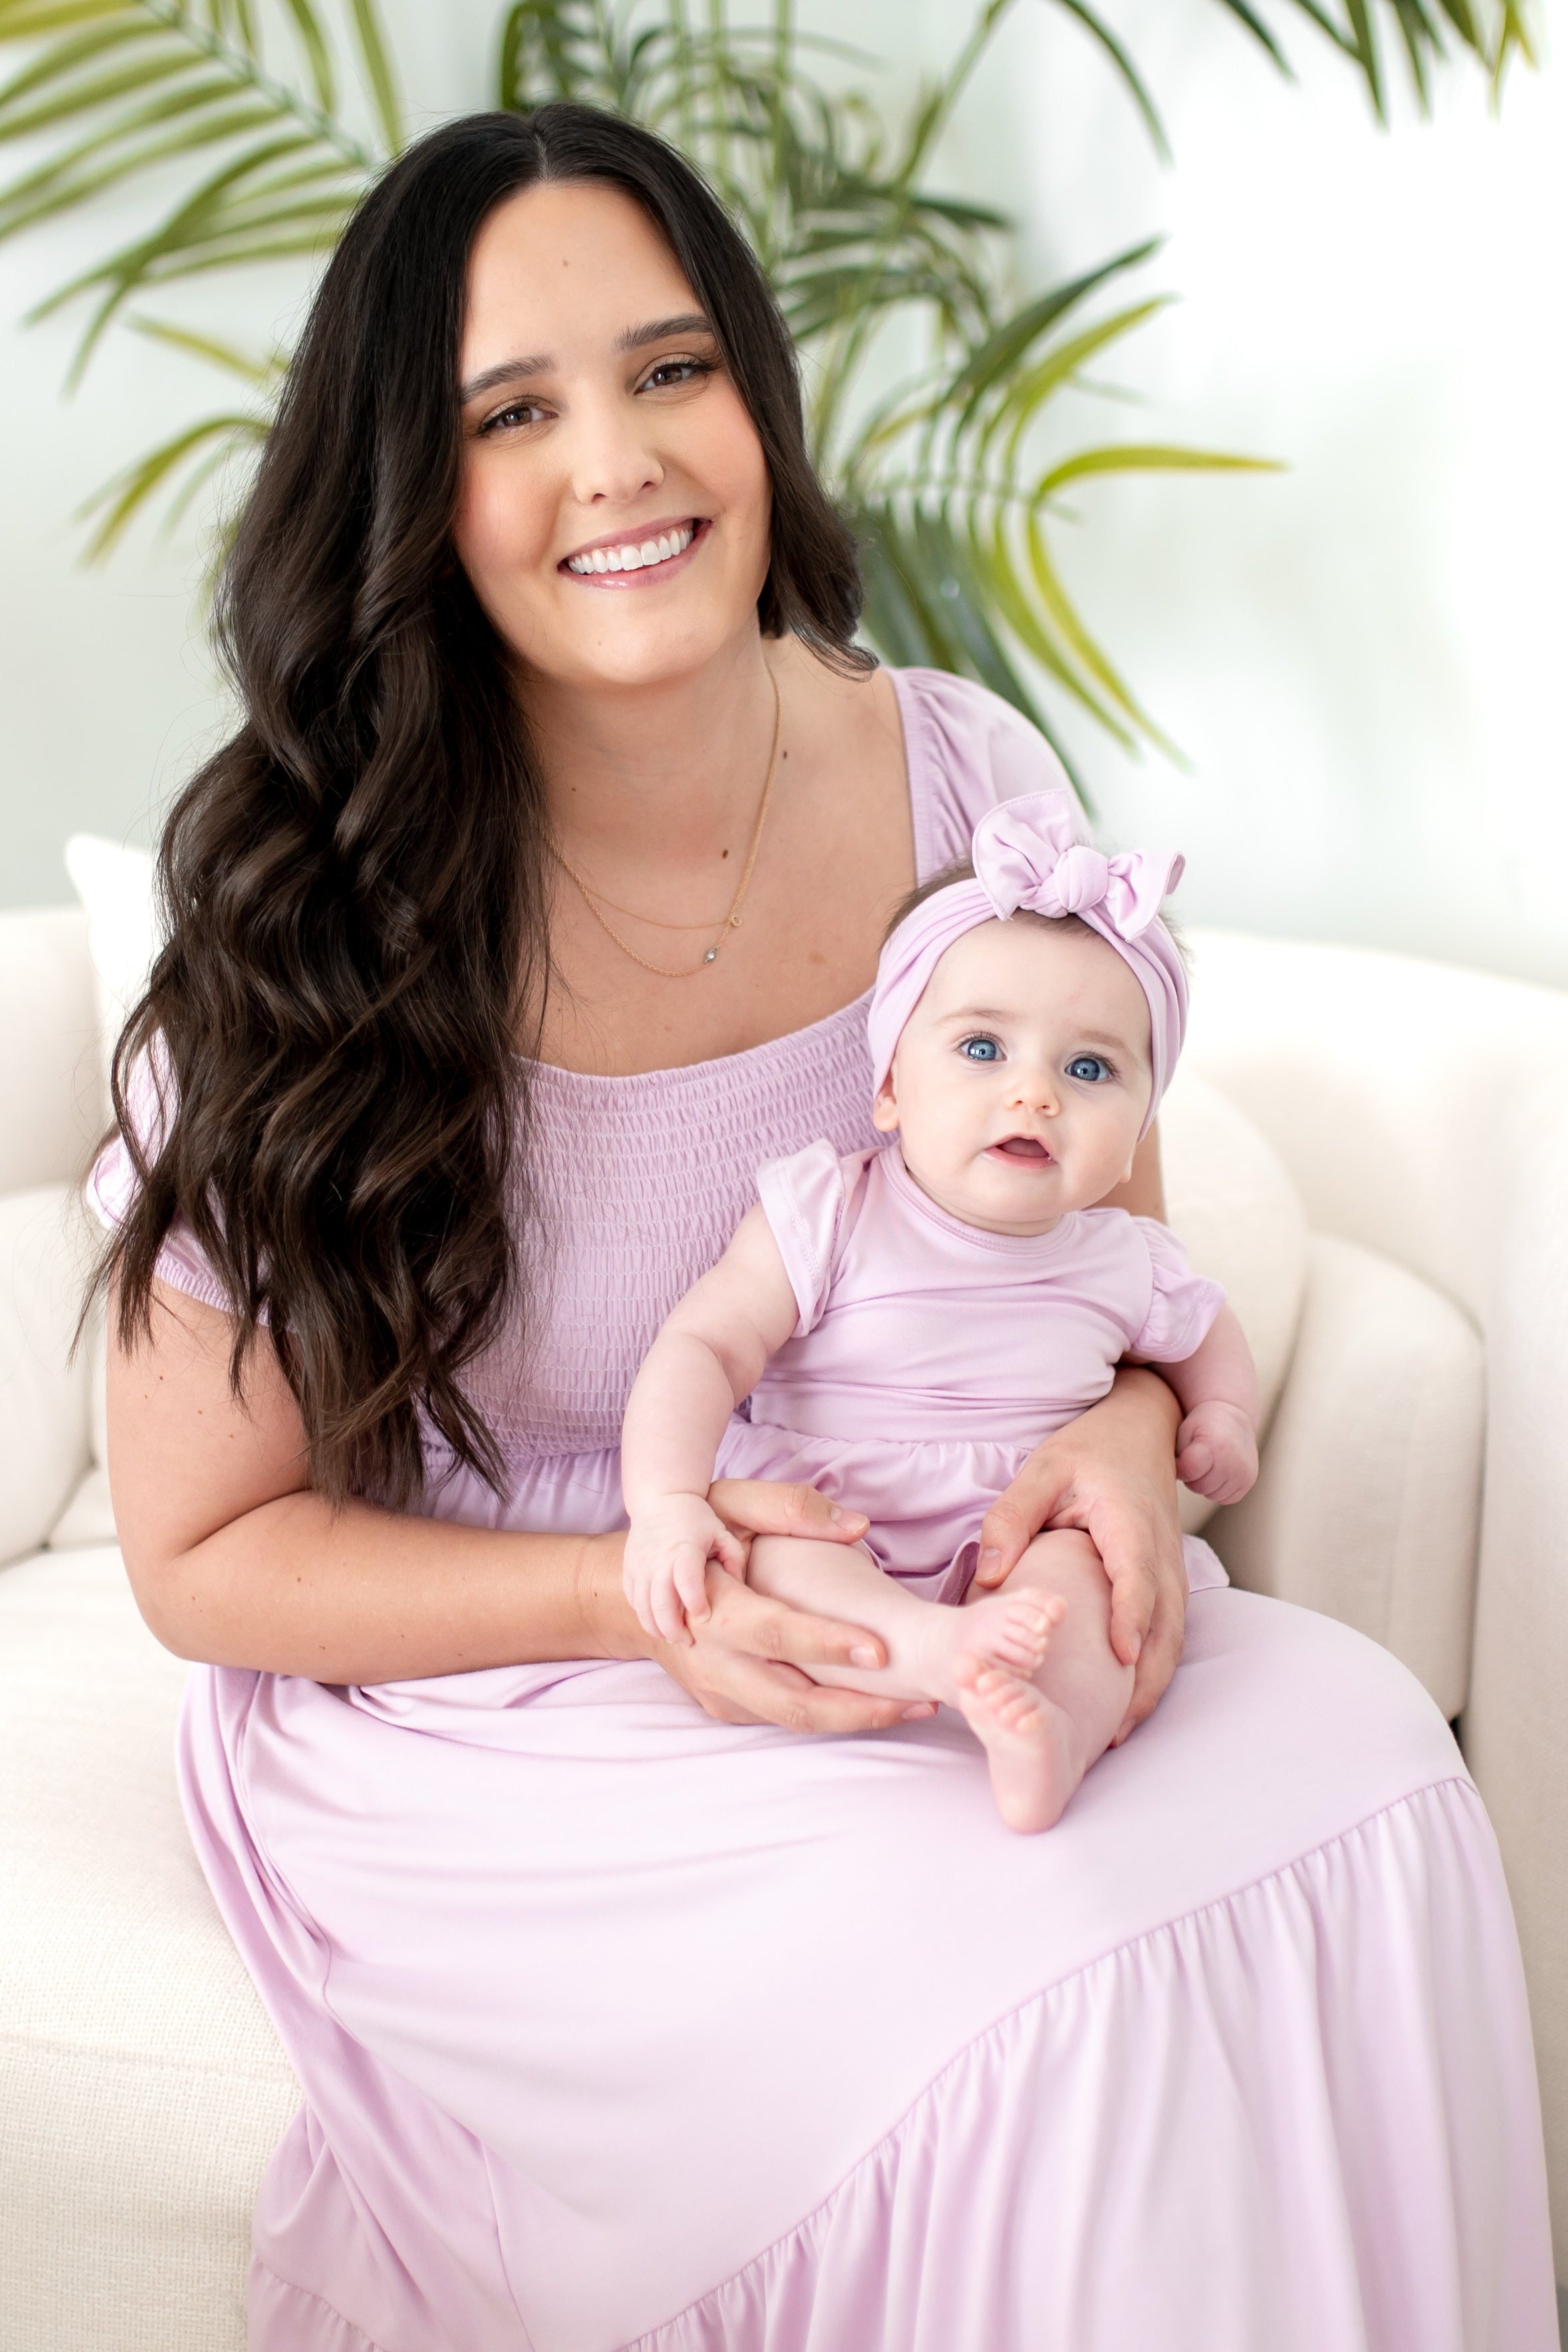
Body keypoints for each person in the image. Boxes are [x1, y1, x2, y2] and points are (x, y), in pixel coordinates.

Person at [92, 104, 1554, 2352]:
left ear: (756, 404)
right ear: (412, 492)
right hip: (503, 1673)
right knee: (1024, 1993)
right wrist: (639, 1586)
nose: (620, 463)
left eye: (670, 371)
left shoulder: (958, 783)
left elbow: (1103, 1276)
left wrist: (1119, 1454)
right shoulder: (310, 921)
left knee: (1361, 1774)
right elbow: (203, 1559)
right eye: (512, 411)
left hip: (935, 1576)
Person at [621, 790, 1261, 1830]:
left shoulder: (1122, 1260)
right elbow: (703, 1346)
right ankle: (927, 1652)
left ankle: (1048, 1728)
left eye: (1089, 1068)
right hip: (838, 1518)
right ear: (888, 1088)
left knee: (1092, 1584)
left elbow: (1209, 1335)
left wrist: (1222, 1417)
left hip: (1016, 1537)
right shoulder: (829, 1209)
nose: (1034, 1094)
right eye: (980, 1049)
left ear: (1139, 1134)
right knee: (776, 1555)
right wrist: (666, 1502)